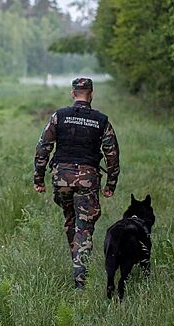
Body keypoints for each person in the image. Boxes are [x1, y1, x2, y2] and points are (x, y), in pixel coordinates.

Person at [33, 77, 120, 289]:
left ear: (73, 93)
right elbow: (112, 155)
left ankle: (76, 260)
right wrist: (111, 184)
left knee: (70, 219)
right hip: (88, 180)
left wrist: (39, 177)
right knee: (84, 228)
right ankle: (81, 280)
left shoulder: (59, 116)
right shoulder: (101, 121)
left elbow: (43, 147)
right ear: (91, 93)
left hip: (61, 179)